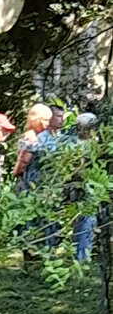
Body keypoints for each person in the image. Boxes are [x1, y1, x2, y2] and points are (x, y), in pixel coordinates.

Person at [70, 112, 99, 262]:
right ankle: (81, 256)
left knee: (87, 220)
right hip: (82, 187)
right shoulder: (77, 145)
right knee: (84, 220)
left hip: (93, 185)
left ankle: (83, 253)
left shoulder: (95, 142)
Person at [13, 103, 52, 194]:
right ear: (36, 119)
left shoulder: (34, 136)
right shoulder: (31, 139)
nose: (47, 124)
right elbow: (22, 162)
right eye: (45, 120)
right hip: (28, 182)